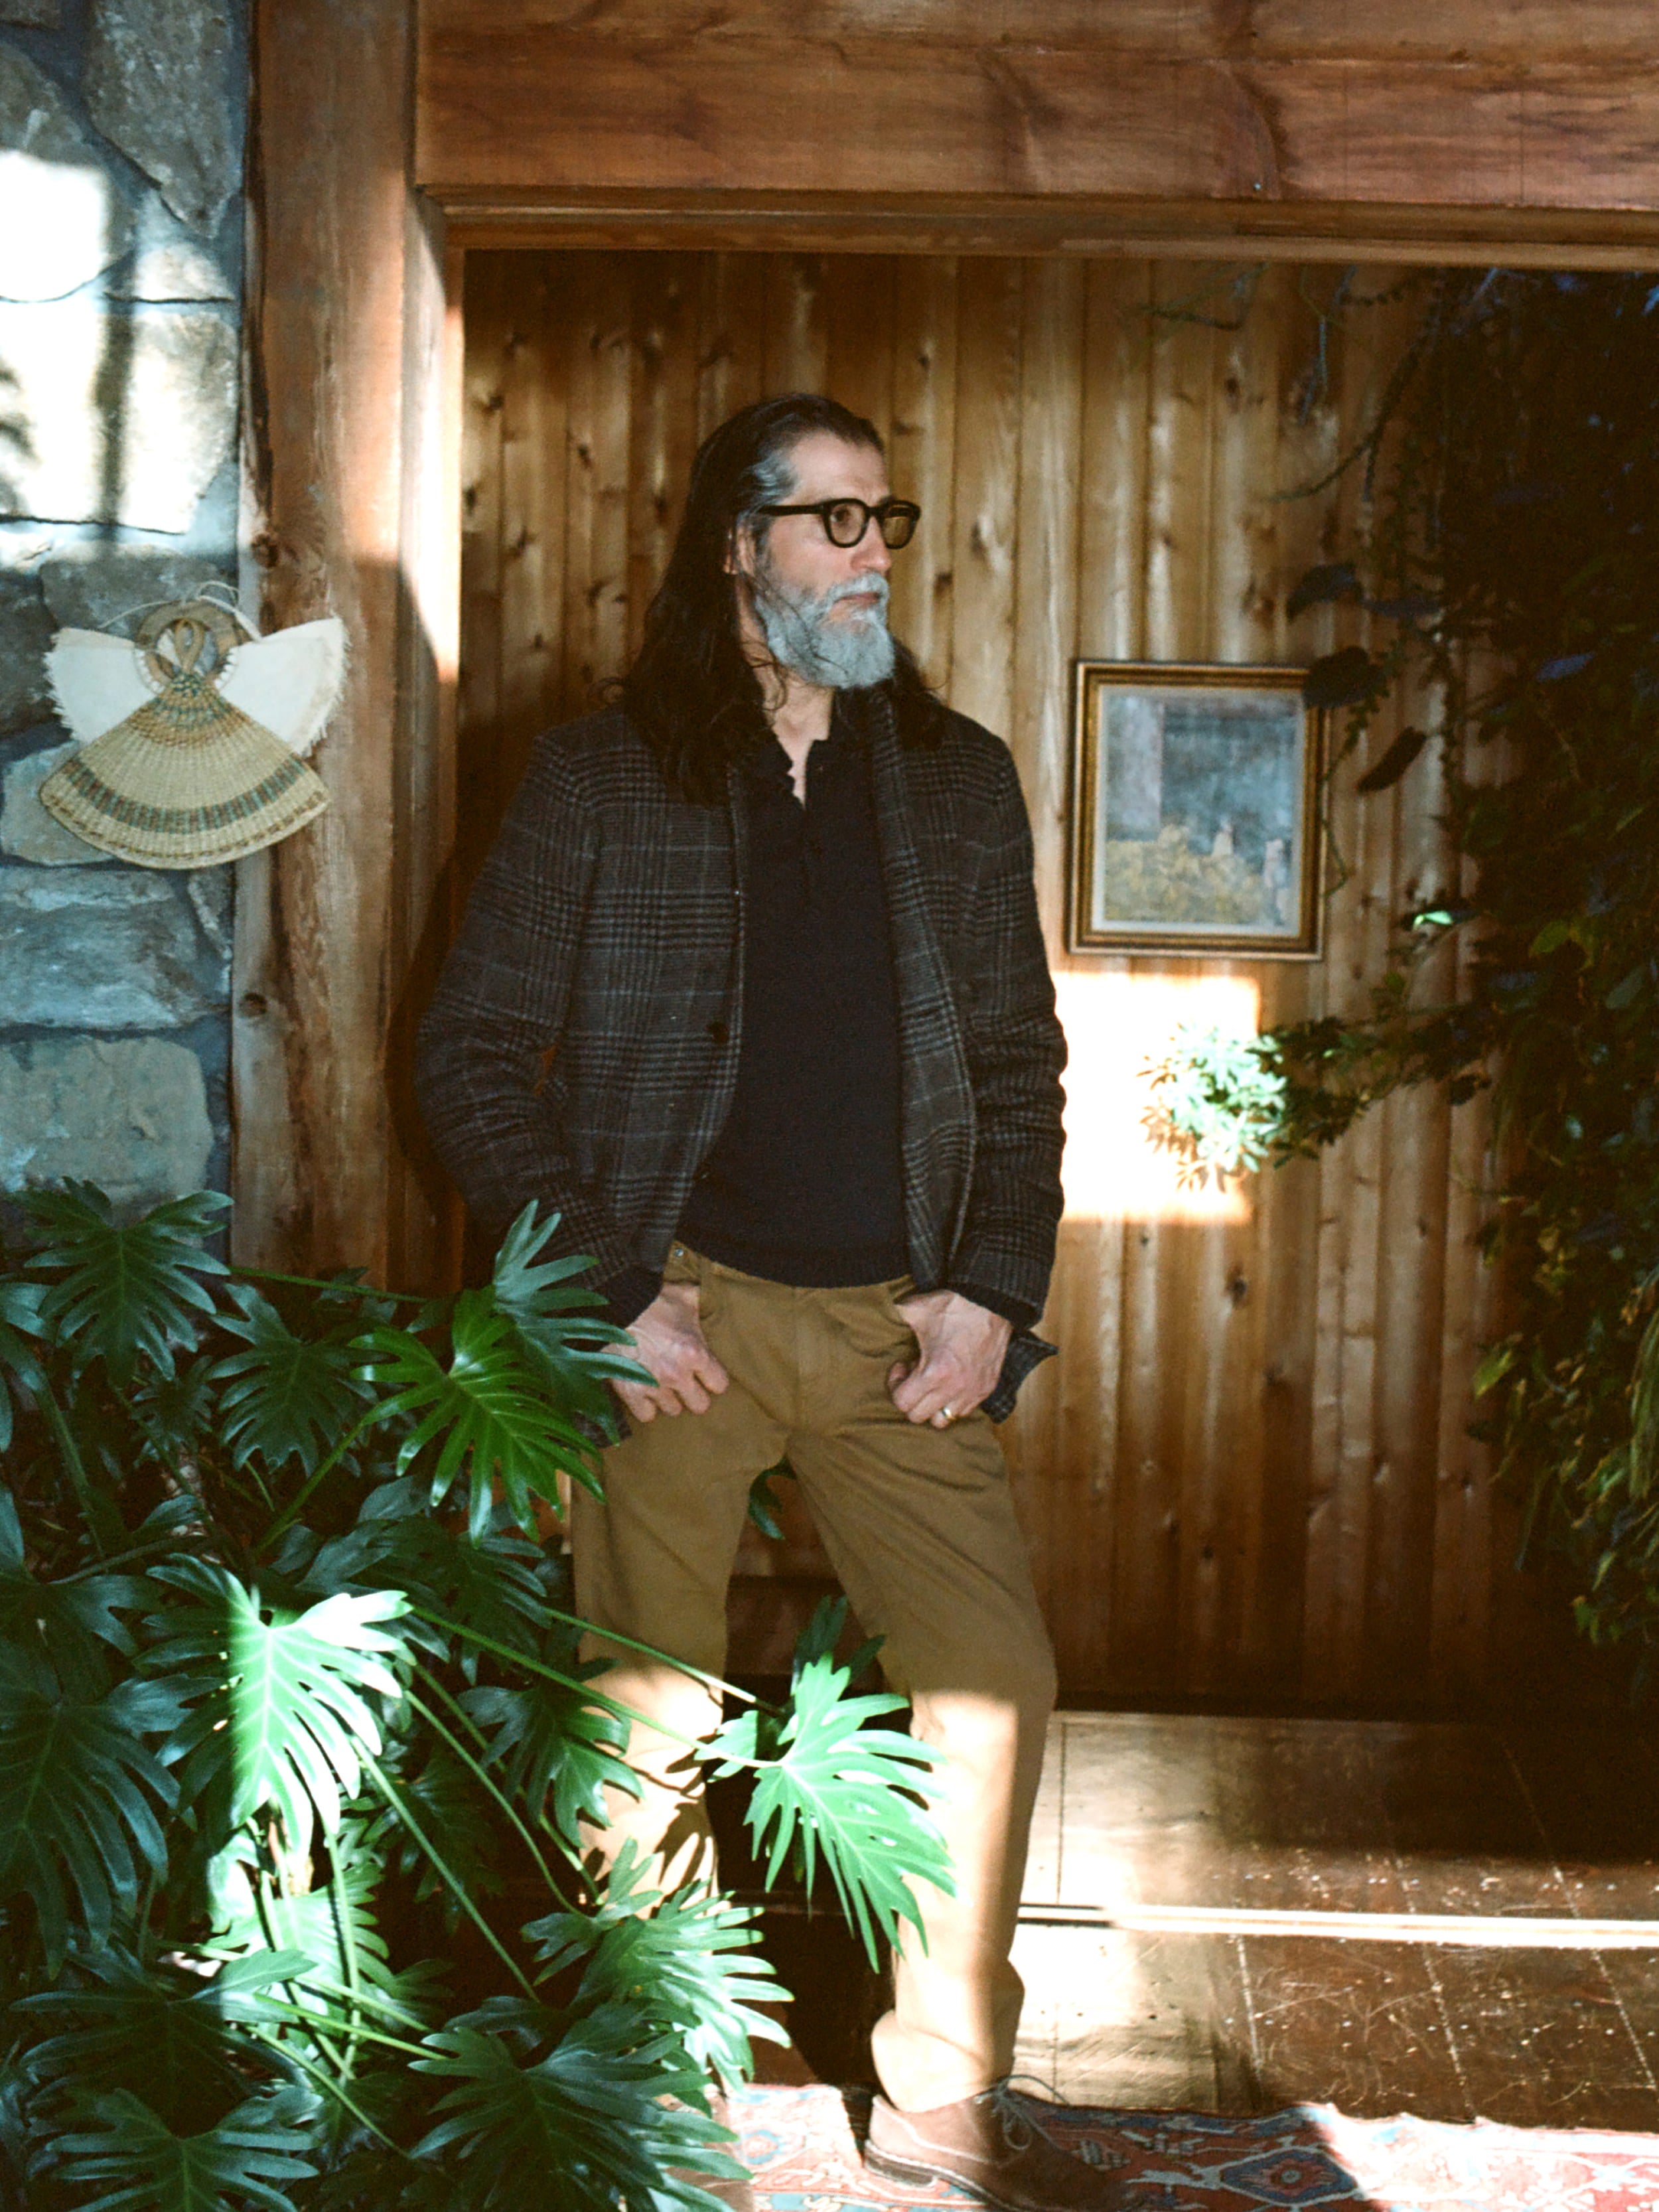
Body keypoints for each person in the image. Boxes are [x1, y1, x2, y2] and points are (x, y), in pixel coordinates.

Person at [416, 394, 1127, 2211]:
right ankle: (641, 2063)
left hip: (904, 1327)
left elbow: (1015, 1062)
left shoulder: (954, 774)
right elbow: (473, 1056)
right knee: (637, 1711)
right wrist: (612, 1295)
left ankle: (944, 2083)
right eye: (829, 520)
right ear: (734, 548)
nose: (871, 547)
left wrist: (989, 1293)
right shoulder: (598, 774)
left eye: (884, 516)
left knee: (990, 1689)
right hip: (681, 1315)